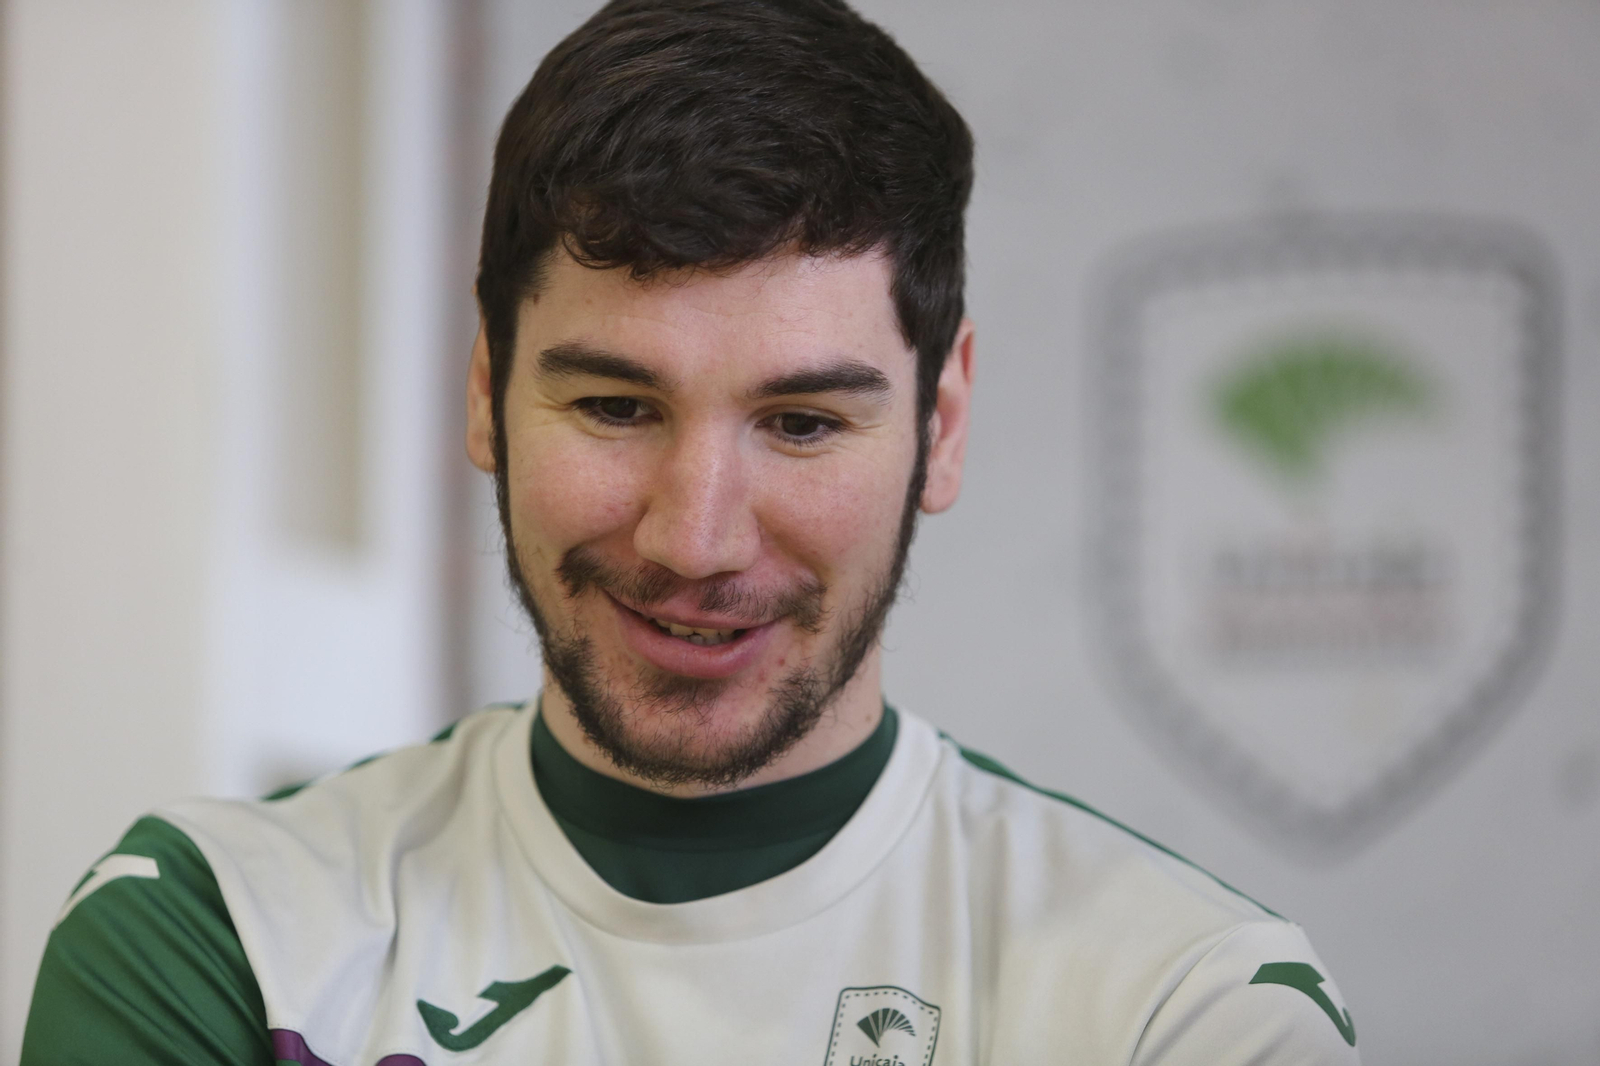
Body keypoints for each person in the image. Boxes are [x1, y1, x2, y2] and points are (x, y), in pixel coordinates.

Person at [22, 0, 1361, 1062]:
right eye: (614, 403)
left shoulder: (1182, 1007)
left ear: (939, 428)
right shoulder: (219, 939)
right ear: (487, 394)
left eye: (802, 423)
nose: (696, 538)